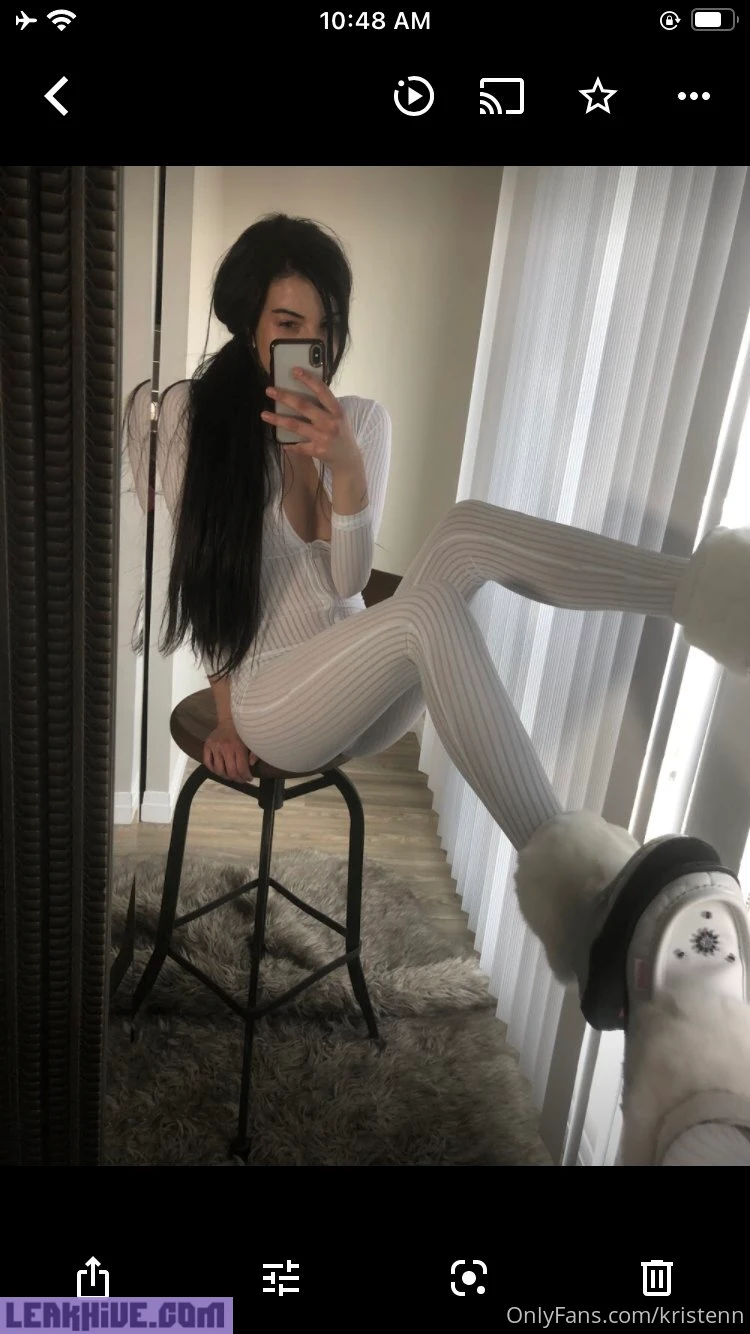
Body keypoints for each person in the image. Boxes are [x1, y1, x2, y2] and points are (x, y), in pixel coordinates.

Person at [130, 212, 750, 1166]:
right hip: (269, 696)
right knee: (424, 610)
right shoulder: (188, 421)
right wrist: (219, 710)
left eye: (324, 326)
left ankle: (712, 596)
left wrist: (338, 470)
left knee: (461, 530)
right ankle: (592, 904)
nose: (310, 345)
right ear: (249, 325)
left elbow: (346, 581)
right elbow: (199, 582)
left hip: (360, 670)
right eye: (289, 323)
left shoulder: (360, 422)